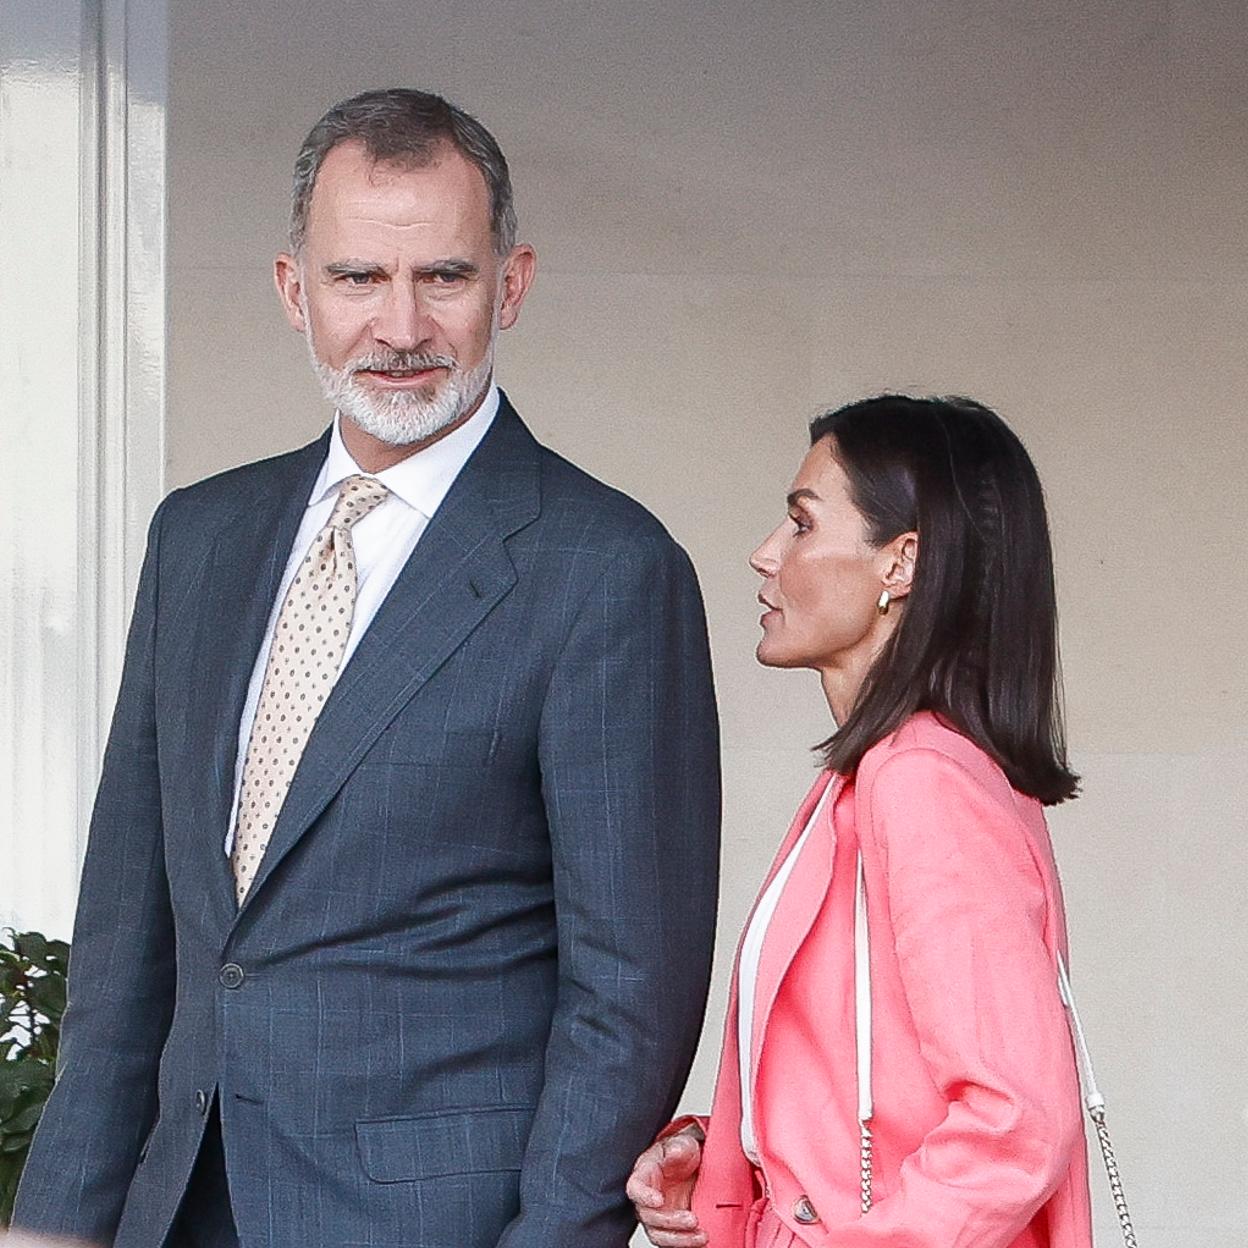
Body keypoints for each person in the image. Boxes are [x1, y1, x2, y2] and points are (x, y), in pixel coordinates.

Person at [13, 88, 721, 1248]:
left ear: (512, 283)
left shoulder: (608, 569)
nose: (399, 327)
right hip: (175, 1208)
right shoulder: (199, 536)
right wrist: (54, 1223)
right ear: (295, 291)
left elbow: (629, 995)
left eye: (442, 276)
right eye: (356, 279)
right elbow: (130, 928)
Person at [628, 394, 1092, 1248]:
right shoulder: (874, 773)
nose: (764, 554)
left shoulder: (922, 781)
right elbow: (874, 1075)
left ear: (901, 563)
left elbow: (1017, 1122)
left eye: (802, 524)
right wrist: (730, 1156)